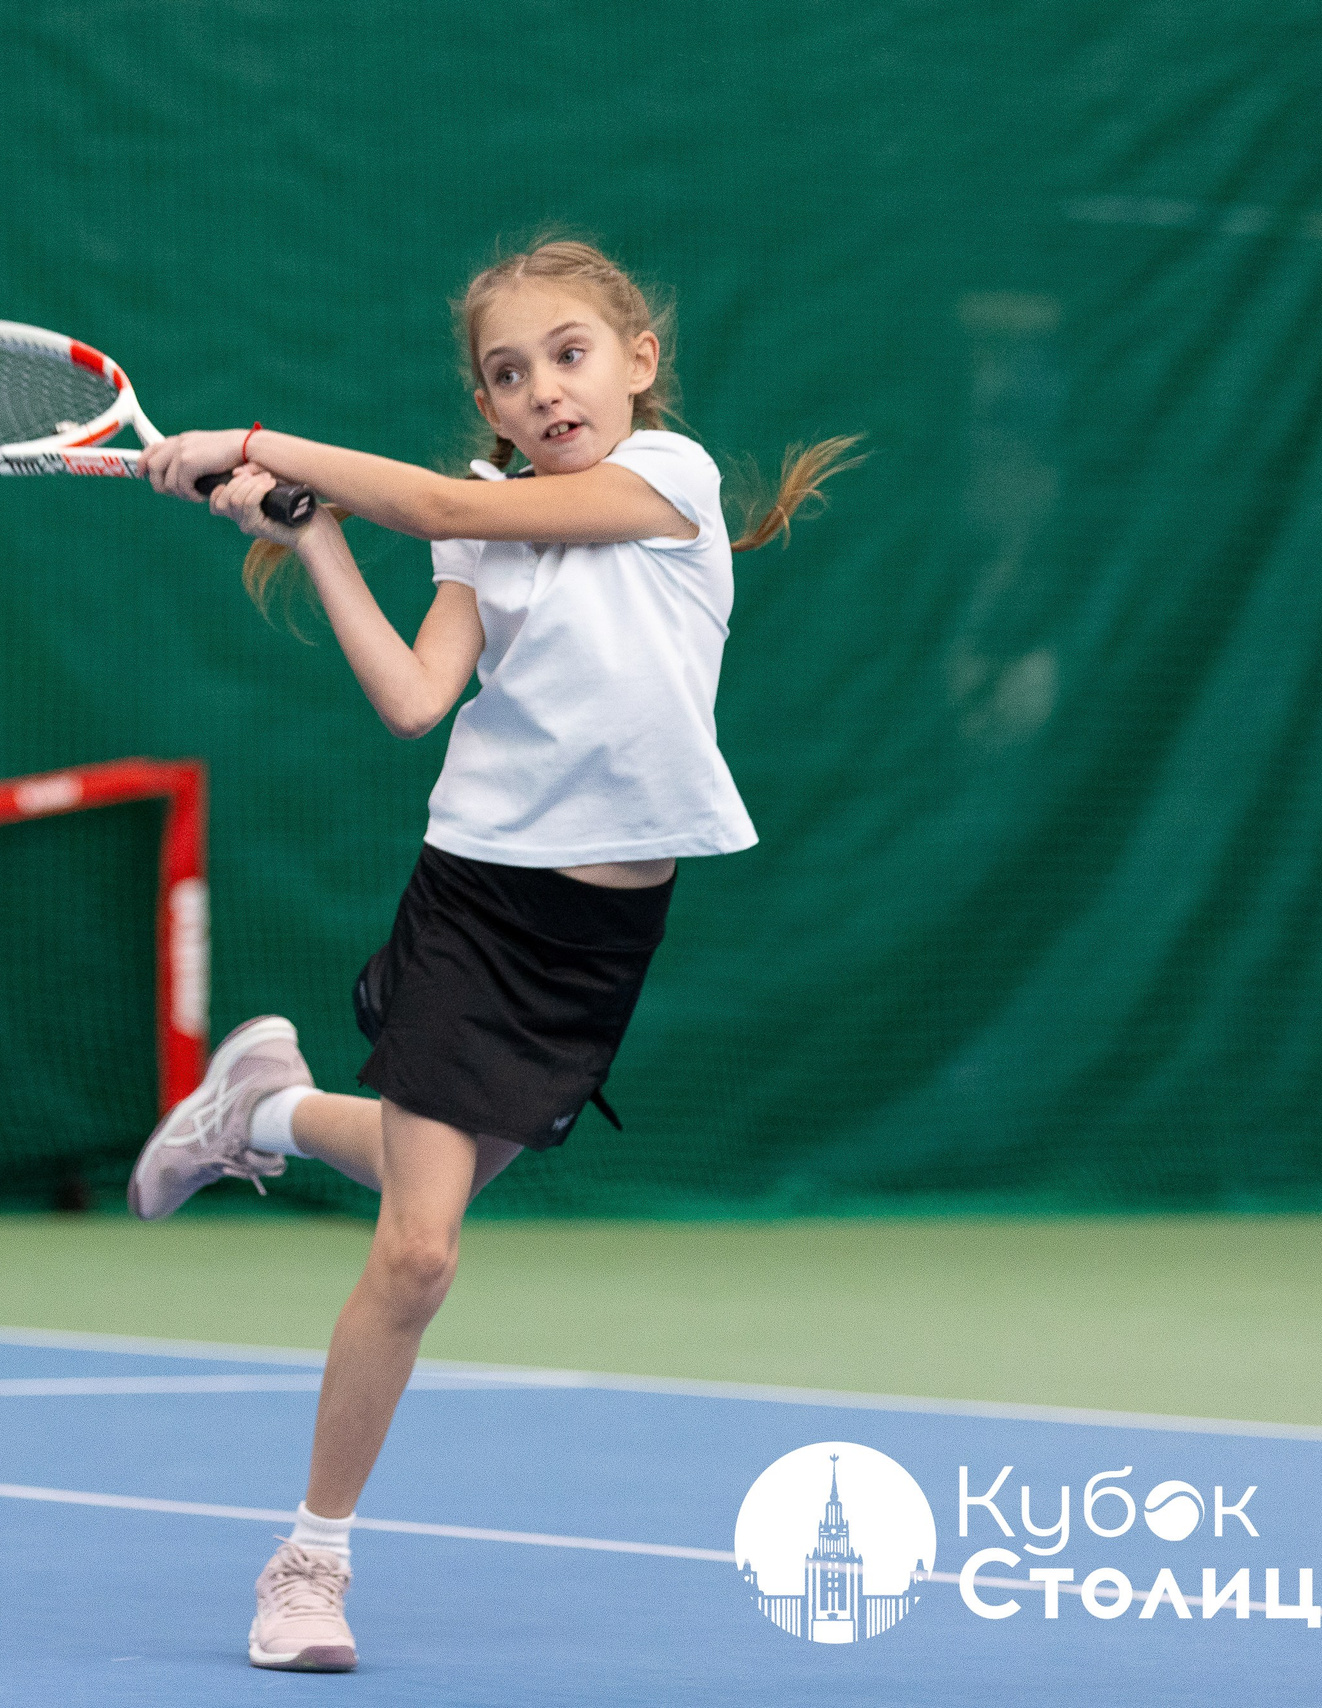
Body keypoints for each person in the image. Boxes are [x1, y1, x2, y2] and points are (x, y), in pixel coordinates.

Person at [127, 238, 859, 1673]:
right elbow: (413, 698)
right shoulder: (483, 527)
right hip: (478, 900)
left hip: (603, 935)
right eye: (508, 373)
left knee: (428, 1171)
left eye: (570, 354)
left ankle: (256, 1110)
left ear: (639, 360)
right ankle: (308, 1567)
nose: (542, 389)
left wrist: (262, 446)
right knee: (420, 1250)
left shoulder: (676, 481)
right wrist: (314, 536)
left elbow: (445, 496)